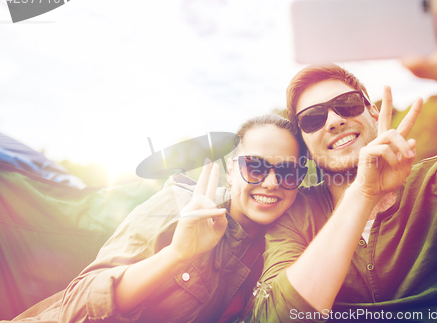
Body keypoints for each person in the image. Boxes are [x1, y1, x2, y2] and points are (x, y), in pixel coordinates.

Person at [255, 0, 437, 321]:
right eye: (313, 118)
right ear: (304, 142)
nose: (334, 120)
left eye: (347, 105)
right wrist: (364, 193)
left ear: (372, 111)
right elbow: (276, 317)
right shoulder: (297, 214)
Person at [2, 114, 310, 323]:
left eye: (286, 171)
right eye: (255, 167)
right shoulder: (179, 204)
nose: (270, 182)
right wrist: (178, 254)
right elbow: (78, 306)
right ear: (231, 171)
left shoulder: (288, 245)